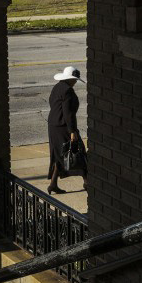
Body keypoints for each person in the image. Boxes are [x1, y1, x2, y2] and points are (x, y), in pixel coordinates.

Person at [46, 66, 87, 194]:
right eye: (74, 79)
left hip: (53, 126)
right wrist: (72, 131)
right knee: (78, 153)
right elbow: (68, 114)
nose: (75, 82)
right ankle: (88, 182)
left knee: (59, 154)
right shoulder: (68, 91)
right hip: (63, 127)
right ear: (69, 78)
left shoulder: (57, 87)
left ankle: (53, 184)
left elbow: (52, 103)